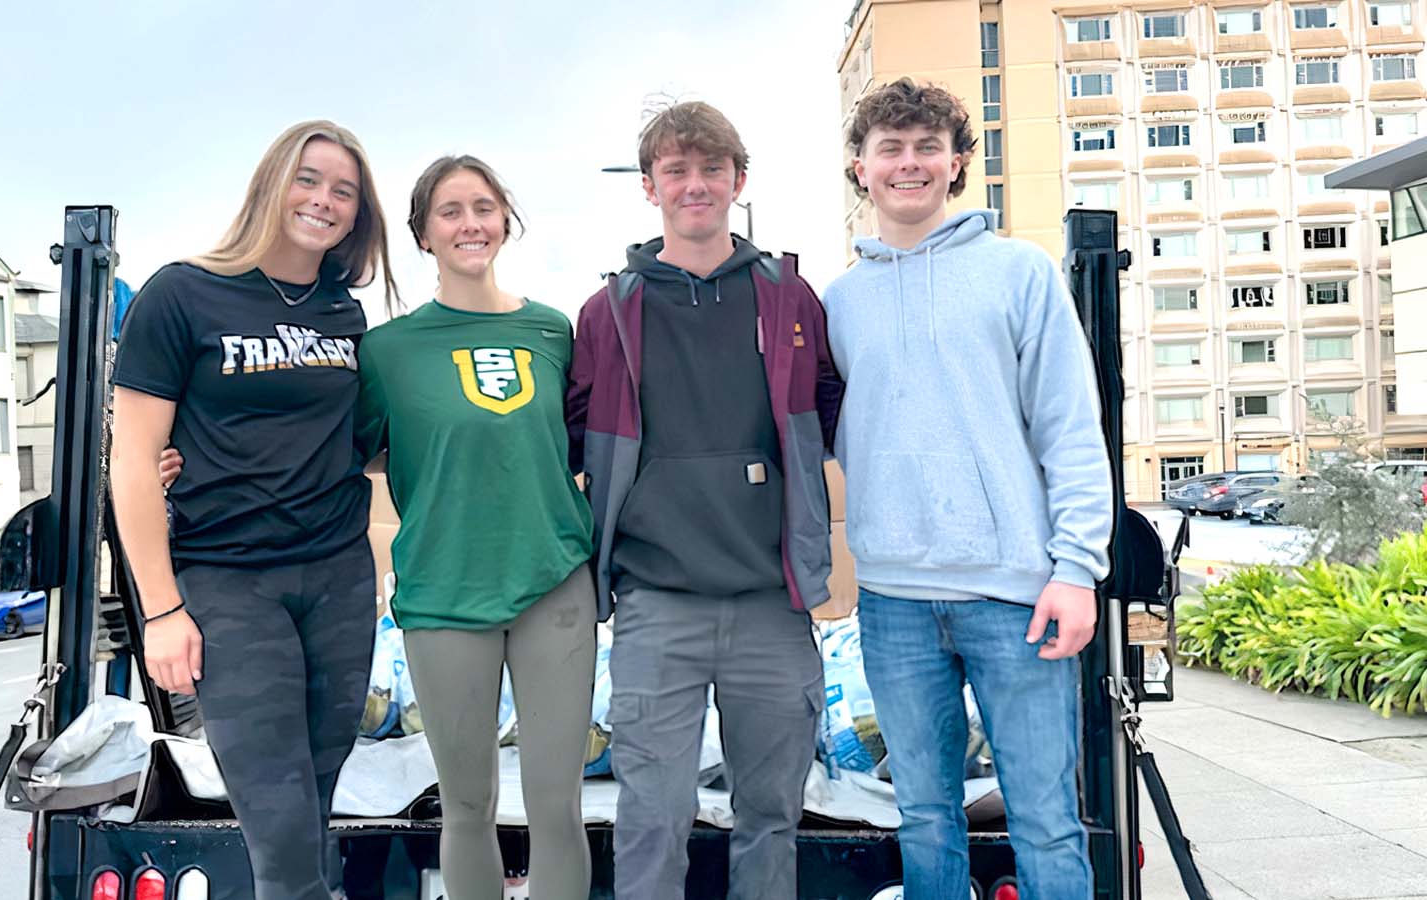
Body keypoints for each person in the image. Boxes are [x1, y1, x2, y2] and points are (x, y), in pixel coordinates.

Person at [823, 78, 1113, 900]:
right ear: (860, 167)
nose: (908, 164)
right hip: (893, 601)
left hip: (1014, 595)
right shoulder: (840, 302)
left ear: (956, 163)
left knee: (1046, 819)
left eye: (926, 148)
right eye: (890, 148)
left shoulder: (1019, 273)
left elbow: (1068, 427)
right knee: (922, 815)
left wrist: (1075, 568)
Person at [110, 119, 399, 900]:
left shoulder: (345, 313)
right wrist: (163, 608)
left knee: (314, 802)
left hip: (338, 579)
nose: (324, 200)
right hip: (230, 585)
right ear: (272, 184)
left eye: (344, 191)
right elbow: (133, 460)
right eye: (309, 180)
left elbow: (354, 442)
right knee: (274, 817)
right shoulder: (182, 293)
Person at [565, 101, 843, 900]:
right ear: (650, 188)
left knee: (771, 816)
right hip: (657, 608)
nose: (695, 186)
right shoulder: (608, 311)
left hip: (771, 605)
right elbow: (571, 435)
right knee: (653, 819)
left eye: (710, 170)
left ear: (738, 181)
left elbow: (829, 409)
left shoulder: (787, 298)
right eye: (676, 172)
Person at [351, 155, 597, 900]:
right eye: (451, 211)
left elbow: (585, 447)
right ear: (423, 233)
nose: (470, 224)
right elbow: (337, 451)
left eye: (484, 207)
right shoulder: (388, 351)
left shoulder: (552, 330)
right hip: (443, 591)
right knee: (466, 807)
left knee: (558, 807)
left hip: (554, 582)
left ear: (506, 223)